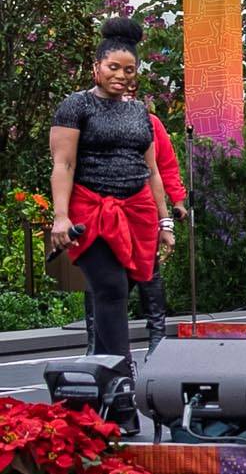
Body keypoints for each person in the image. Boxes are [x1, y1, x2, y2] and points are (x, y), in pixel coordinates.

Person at [47, 18, 174, 361]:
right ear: (97, 67)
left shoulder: (139, 112)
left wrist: (165, 223)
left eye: (128, 70)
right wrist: (60, 217)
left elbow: (152, 171)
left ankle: (102, 373)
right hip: (91, 211)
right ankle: (122, 375)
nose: (121, 75)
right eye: (113, 67)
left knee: (118, 292)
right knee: (112, 289)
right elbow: (63, 165)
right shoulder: (77, 106)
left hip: (137, 212)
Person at [136, 102, 188, 350]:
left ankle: (157, 337)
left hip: (143, 206)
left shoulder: (150, 122)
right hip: (105, 206)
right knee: (102, 275)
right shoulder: (90, 116)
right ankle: (95, 341)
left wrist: (176, 202)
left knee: (149, 270)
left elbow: (164, 166)